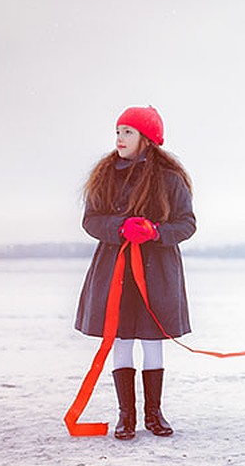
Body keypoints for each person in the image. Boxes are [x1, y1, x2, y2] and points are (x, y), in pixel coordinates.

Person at [75, 105, 196, 440]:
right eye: (117, 131)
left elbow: (187, 224)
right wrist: (119, 227)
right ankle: (125, 416)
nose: (119, 138)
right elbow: (91, 220)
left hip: (157, 272)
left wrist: (155, 232)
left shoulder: (170, 180)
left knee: (152, 340)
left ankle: (154, 414)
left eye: (127, 131)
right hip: (115, 271)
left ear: (147, 138)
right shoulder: (105, 175)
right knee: (123, 338)